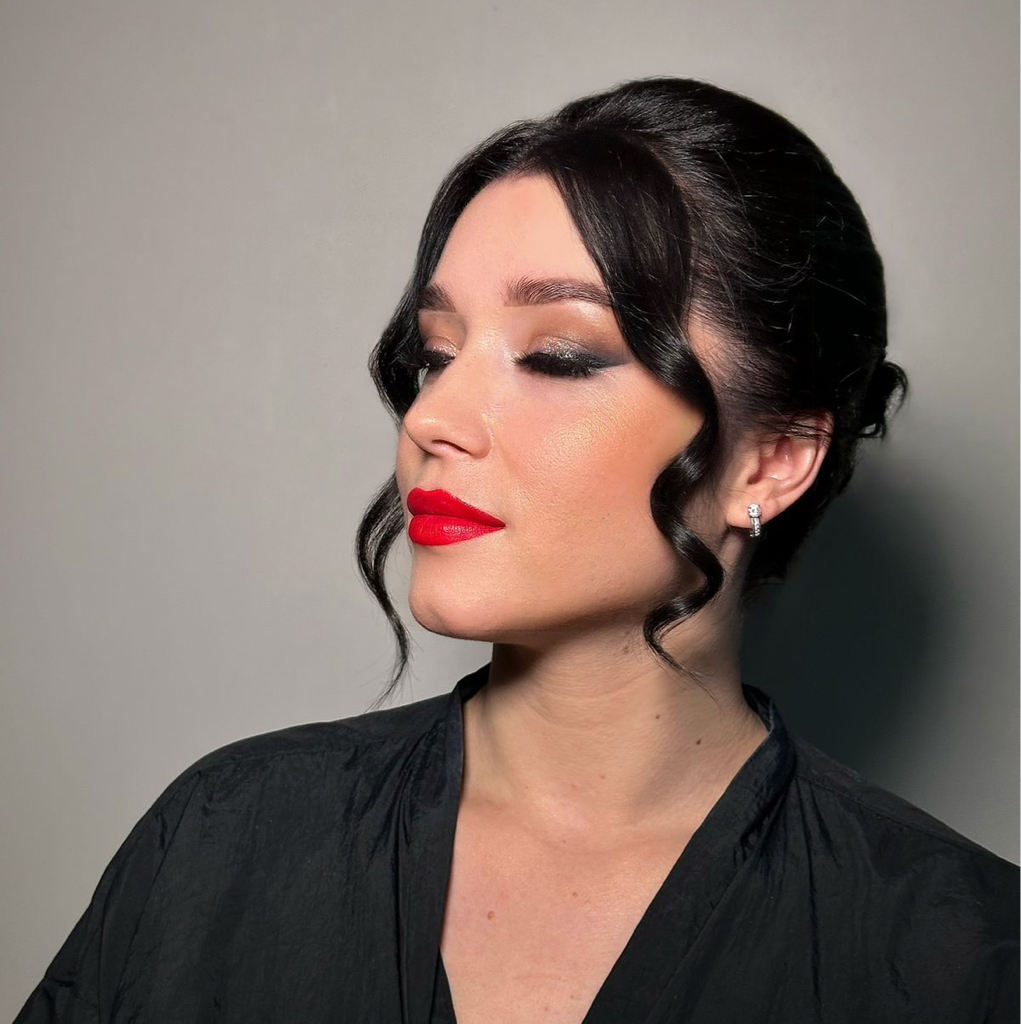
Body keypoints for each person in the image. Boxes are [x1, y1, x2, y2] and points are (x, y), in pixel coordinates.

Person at [14, 75, 1017, 1024]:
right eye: (435, 355)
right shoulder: (226, 837)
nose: (432, 417)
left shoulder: (966, 954)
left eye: (556, 356)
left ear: (771, 460)